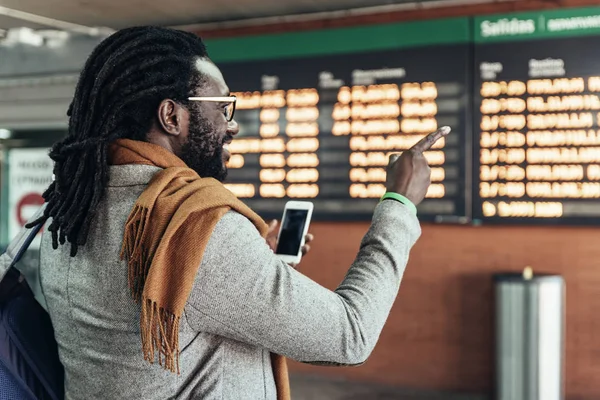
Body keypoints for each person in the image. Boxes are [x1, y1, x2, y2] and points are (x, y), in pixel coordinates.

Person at [33, 26, 449, 400]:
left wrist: (251, 257)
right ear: (171, 116)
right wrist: (399, 205)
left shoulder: (66, 214)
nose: (232, 125)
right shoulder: (192, 228)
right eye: (222, 107)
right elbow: (349, 335)